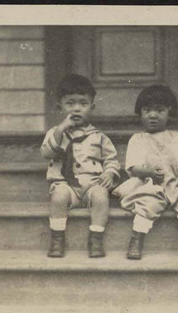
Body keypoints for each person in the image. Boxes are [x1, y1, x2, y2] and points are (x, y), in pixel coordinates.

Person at [113, 85, 178, 260]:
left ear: (169, 112)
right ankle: (136, 239)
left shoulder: (177, 138)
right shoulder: (137, 139)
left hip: (176, 183)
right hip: (150, 184)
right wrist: (148, 171)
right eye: (147, 110)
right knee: (147, 203)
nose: (153, 115)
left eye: (160, 110)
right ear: (140, 113)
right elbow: (133, 167)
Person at [40, 74, 120, 258]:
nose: (76, 109)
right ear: (60, 107)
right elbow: (47, 152)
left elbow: (111, 159)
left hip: (92, 184)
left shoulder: (99, 137)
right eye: (70, 103)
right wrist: (61, 129)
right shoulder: (55, 133)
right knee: (58, 195)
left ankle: (96, 238)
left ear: (92, 107)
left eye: (83, 104)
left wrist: (109, 173)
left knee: (101, 195)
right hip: (67, 187)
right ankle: (57, 238)